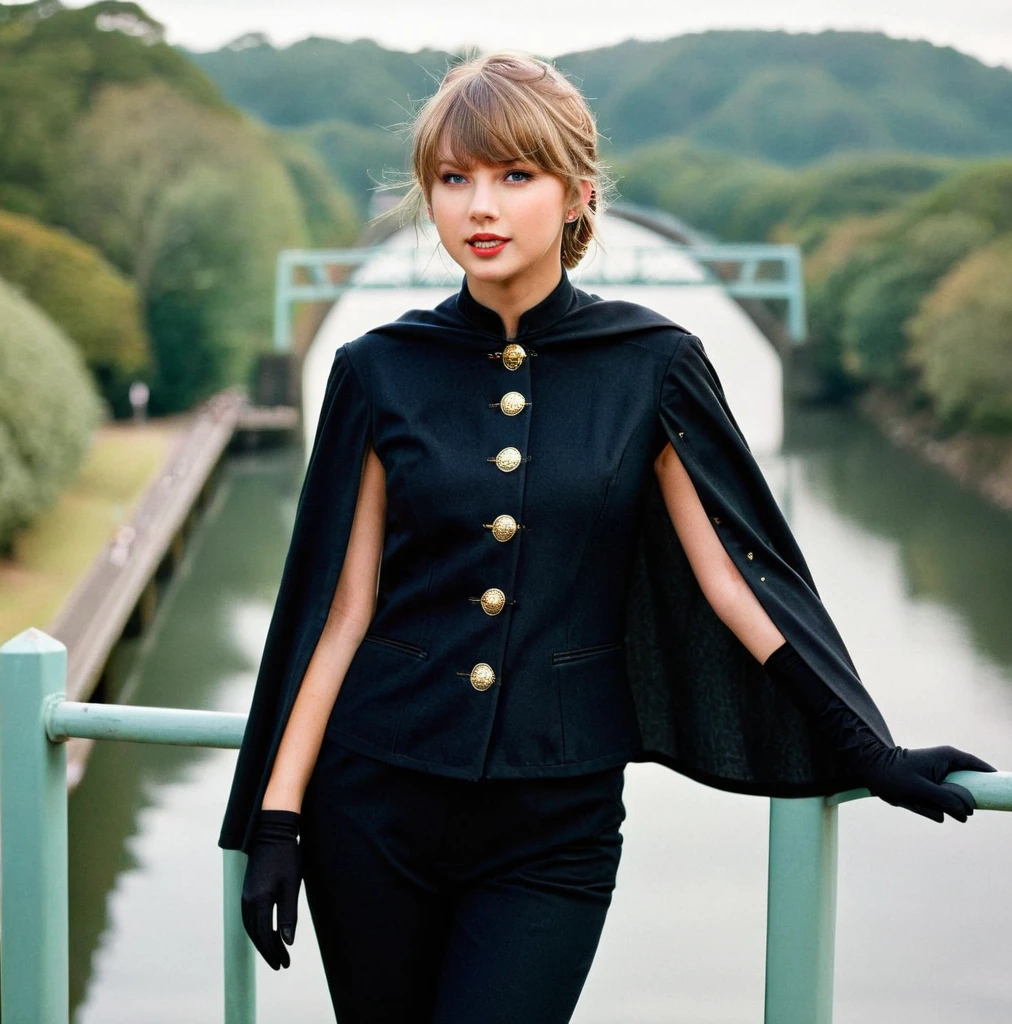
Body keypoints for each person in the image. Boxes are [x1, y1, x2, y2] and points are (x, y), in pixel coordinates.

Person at [218, 51, 996, 1023]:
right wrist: (279, 818)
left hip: (554, 825)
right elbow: (339, 611)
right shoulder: (379, 369)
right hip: (372, 806)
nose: (479, 206)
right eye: (452, 179)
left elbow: (732, 578)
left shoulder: (653, 363)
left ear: (578, 194)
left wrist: (866, 744)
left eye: (514, 175)